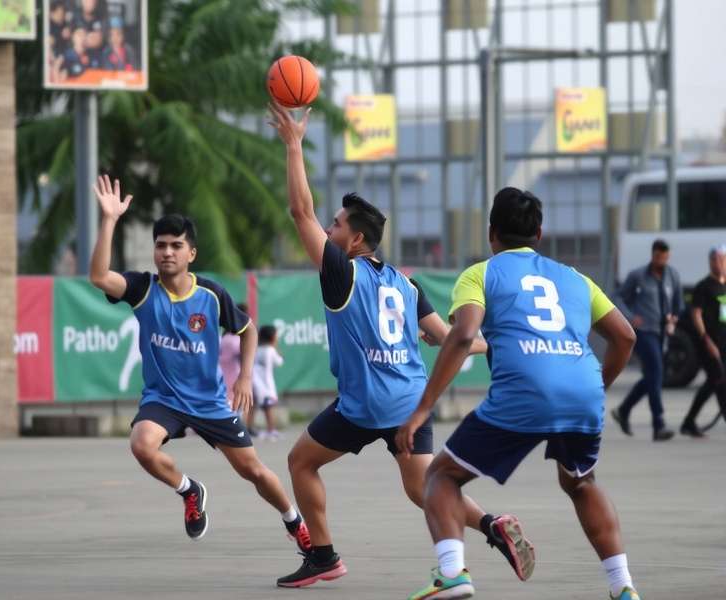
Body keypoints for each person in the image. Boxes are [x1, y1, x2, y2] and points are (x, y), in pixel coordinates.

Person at [268, 102, 535, 589]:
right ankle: (492, 526)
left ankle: (324, 556)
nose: (328, 231)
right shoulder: (405, 284)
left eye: (336, 226)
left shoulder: (341, 273)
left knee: (300, 462)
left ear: (356, 240)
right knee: (424, 486)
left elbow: (298, 210)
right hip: (412, 401)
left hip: (365, 404)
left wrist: (293, 145)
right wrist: (489, 347)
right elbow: (444, 336)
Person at [397, 188, 639, 600]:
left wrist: (422, 409)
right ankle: (624, 587)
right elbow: (625, 336)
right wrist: (596, 387)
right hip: (581, 389)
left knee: (440, 476)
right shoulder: (577, 278)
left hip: (523, 391)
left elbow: (463, 336)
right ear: (539, 234)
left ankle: (452, 573)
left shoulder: (481, 274)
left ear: (492, 233)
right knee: (581, 482)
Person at [88, 174, 312, 556]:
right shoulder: (143, 289)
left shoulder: (210, 294)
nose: (167, 252)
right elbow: (97, 276)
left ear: (191, 253)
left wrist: (243, 378)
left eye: (177, 245)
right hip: (164, 399)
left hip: (209, 402)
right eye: (161, 246)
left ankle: (295, 522)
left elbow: (248, 330)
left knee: (254, 471)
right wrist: (109, 219)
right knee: (142, 445)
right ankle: (189, 491)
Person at [611, 239, 681, 441]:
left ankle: (623, 410)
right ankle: (658, 424)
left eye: (665, 258)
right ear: (653, 255)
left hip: (662, 332)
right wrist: (631, 317)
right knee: (657, 372)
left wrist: (674, 318)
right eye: (658, 257)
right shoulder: (638, 276)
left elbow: (678, 304)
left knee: (652, 376)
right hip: (644, 332)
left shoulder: (672, 276)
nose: (661, 261)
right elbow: (618, 297)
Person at [680, 245, 726, 436]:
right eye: (715, 259)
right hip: (709, 344)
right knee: (721, 381)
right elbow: (696, 314)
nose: (719, 263)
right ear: (710, 262)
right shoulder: (704, 286)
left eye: (722, 259)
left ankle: (689, 422)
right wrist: (706, 339)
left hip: (724, 343)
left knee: (712, 383)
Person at [219, 302, 249, 411]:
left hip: (224, 379)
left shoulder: (224, 337)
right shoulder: (237, 341)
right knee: (235, 411)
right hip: (235, 379)